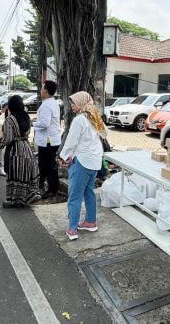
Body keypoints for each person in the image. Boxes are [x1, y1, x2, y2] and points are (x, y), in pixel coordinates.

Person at [58, 91, 105, 241]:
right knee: (88, 192)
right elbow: (104, 135)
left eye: (74, 102)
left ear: (82, 103)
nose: (72, 105)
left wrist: (62, 157)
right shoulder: (94, 116)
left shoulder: (79, 120)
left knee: (74, 196)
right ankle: (90, 222)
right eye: (71, 102)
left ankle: (72, 229)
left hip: (82, 162)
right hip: (94, 163)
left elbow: (71, 142)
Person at [0, 95, 42, 208]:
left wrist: (0, 144)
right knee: (24, 173)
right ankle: (25, 197)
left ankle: (14, 200)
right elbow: (27, 133)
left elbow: (8, 139)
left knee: (14, 174)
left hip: (15, 150)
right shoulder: (26, 116)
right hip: (27, 148)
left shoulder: (10, 119)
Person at [33, 81, 61, 199]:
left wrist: (33, 123)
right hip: (51, 139)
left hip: (47, 140)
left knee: (48, 165)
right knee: (47, 164)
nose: (41, 90)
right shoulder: (53, 103)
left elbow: (45, 123)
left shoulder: (46, 105)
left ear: (46, 91)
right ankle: (45, 186)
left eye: (42, 88)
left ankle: (51, 189)